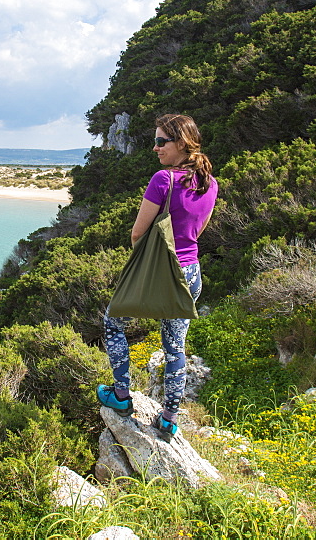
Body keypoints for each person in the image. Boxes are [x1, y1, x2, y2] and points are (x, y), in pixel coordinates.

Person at [97, 113, 218, 442]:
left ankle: (121, 395)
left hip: (161, 271)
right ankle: (169, 419)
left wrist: (143, 266)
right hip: (190, 273)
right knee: (175, 346)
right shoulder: (210, 183)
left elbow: (138, 233)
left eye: (161, 141)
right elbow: (197, 232)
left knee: (113, 320)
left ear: (181, 143)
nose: (156, 148)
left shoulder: (163, 180)